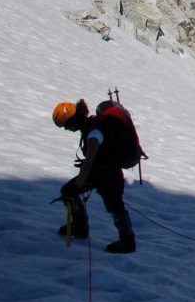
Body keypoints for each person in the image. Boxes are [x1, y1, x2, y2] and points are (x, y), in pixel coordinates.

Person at [53, 99, 137, 253]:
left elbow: (90, 161)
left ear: (73, 121)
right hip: (108, 172)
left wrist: (78, 185)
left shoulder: (93, 132)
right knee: (114, 205)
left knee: (111, 204)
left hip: (106, 174)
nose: (66, 129)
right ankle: (124, 239)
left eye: (66, 125)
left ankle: (127, 242)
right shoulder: (93, 127)